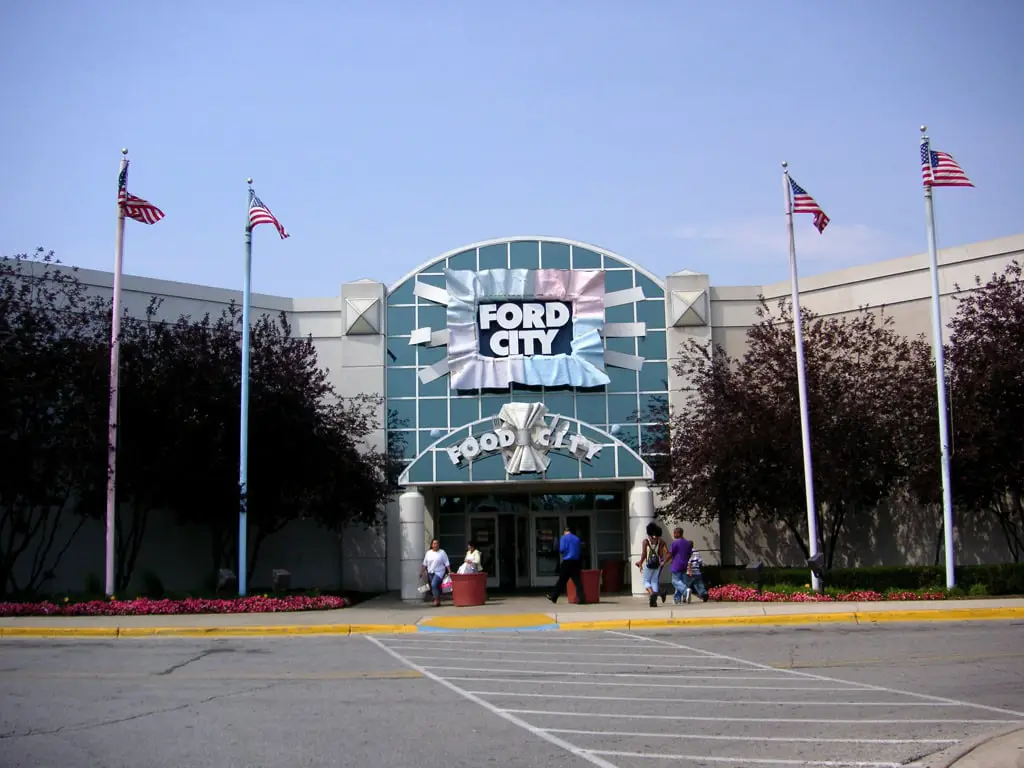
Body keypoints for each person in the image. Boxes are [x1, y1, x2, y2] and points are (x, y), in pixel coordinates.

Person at [547, 525, 586, 605]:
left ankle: (554, 597)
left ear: (565, 531)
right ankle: (581, 598)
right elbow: (580, 550)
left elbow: (561, 550)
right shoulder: (577, 539)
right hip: (576, 562)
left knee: (562, 581)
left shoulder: (564, 538)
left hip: (567, 562)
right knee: (577, 582)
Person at [636, 522, 668, 607]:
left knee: (646, 581)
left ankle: (652, 594)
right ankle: (655, 601)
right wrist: (662, 562)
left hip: (648, 564)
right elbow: (661, 554)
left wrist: (640, 562)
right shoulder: (660, 541)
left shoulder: (646, 541)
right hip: (657, 564)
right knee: (654, 581)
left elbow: (644, 553)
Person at [420, 539, 450, 607]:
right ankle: (438, 600)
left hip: (439, 572)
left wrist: (449, 571)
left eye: (436, 543)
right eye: (434, 543)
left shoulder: (442, 552)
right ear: (432, 545)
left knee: (434, 585)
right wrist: (421, 572)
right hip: (431, 572)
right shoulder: (428, 553)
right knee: (435, 587)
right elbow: (424, 564)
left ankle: (436, 600)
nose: (435, 545)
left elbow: (447, 563)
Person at [668, 527, 694, 604]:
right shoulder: (687, 543)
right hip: (684, 564)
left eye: (675, 533)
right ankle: (677, 599)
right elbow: (690, 554)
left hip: (677, 564)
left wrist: (665, 561)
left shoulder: (675, 542)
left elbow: (671, 553)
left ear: (678, 533)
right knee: (680, 581)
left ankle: (686, 591)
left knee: (675, 581)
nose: (674, 534)